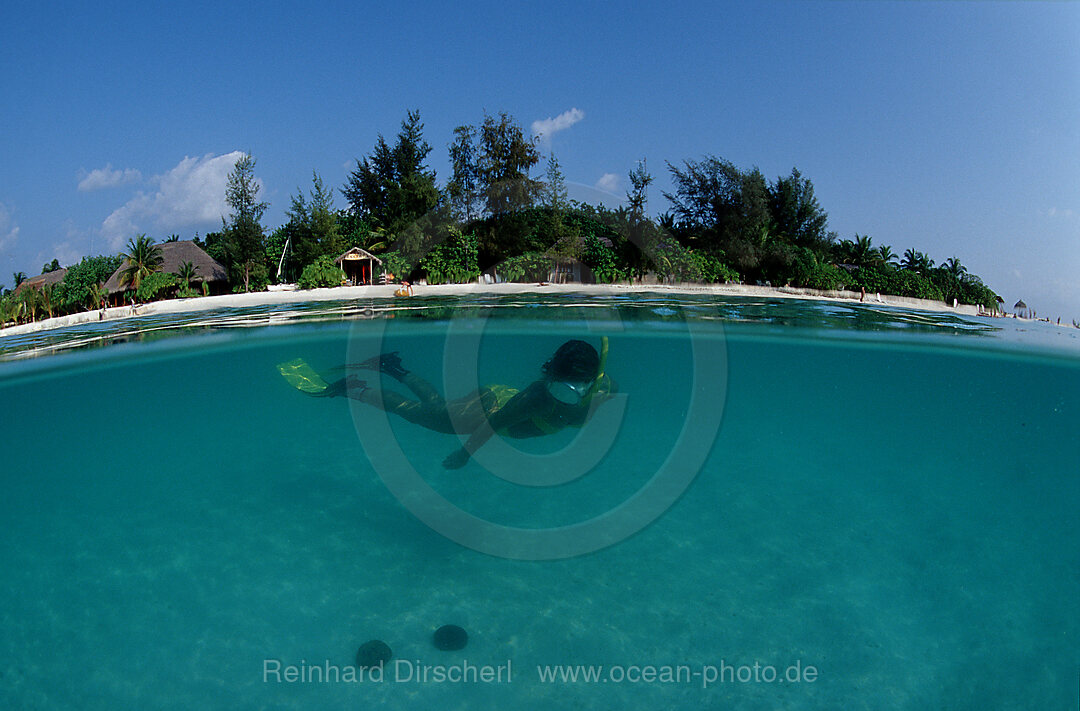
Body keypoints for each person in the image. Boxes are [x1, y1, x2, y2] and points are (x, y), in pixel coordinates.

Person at [278, 339, 616, 469]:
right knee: (419, 415)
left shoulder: (603, 387)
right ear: (552, 376)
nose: (568, 394)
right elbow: (495, 425)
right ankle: (350, 388)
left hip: (499, 398)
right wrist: (465, 454)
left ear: (591, 381)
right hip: (491, 410)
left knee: (435, 407)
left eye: (576, 388)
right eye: (562, 386)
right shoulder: (540, 396)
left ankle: (392, 367)